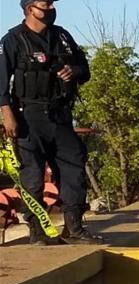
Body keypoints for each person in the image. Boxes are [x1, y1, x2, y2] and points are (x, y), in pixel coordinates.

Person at [0, 0, 101, 245]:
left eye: (52, 4)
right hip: (28, 117)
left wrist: (73, 71)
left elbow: (84, 69)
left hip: (60, 115)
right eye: (45, 4)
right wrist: (7, 114)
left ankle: (74, 228)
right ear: (29, 8)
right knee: (33, 175)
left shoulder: (62, 36)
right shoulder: (13, 39)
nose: (51, 9)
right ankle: (37, 232)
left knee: (73, 168)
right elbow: (1, 80)